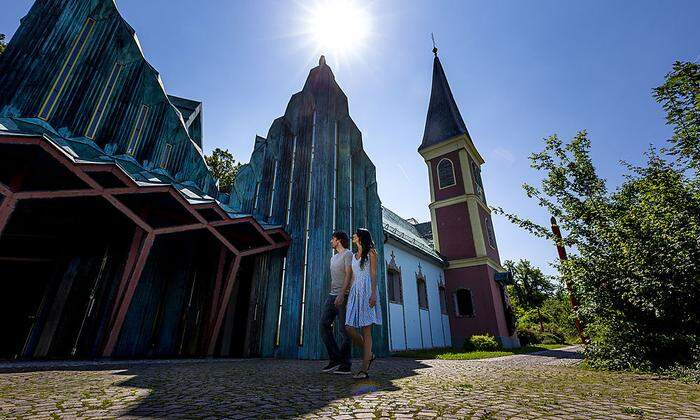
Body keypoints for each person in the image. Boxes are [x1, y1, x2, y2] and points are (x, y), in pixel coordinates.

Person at [345, 228, 382, 379]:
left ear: (360, 237)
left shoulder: (371, 253)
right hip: (355, 292)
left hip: (367, 291)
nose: (353, 236)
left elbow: (373, 274)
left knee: (367, 329)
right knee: (349, 327)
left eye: (355, 234)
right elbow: (353, 277)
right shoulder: (354, 256)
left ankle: (364, 369)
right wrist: (349, 296)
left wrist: (373, 294)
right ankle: (369, 354)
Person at [320, 231, 353, 374]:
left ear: (338, 240)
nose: (331, 241)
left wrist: (342, 293)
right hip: (332, 295)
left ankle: (345, 365)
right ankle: (335, 358)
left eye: (332, 239)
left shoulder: (348, 254)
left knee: (344, 331)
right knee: (324, 325)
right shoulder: (333, 258)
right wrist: (334, 293)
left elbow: (349, 274)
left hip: (344, 295)